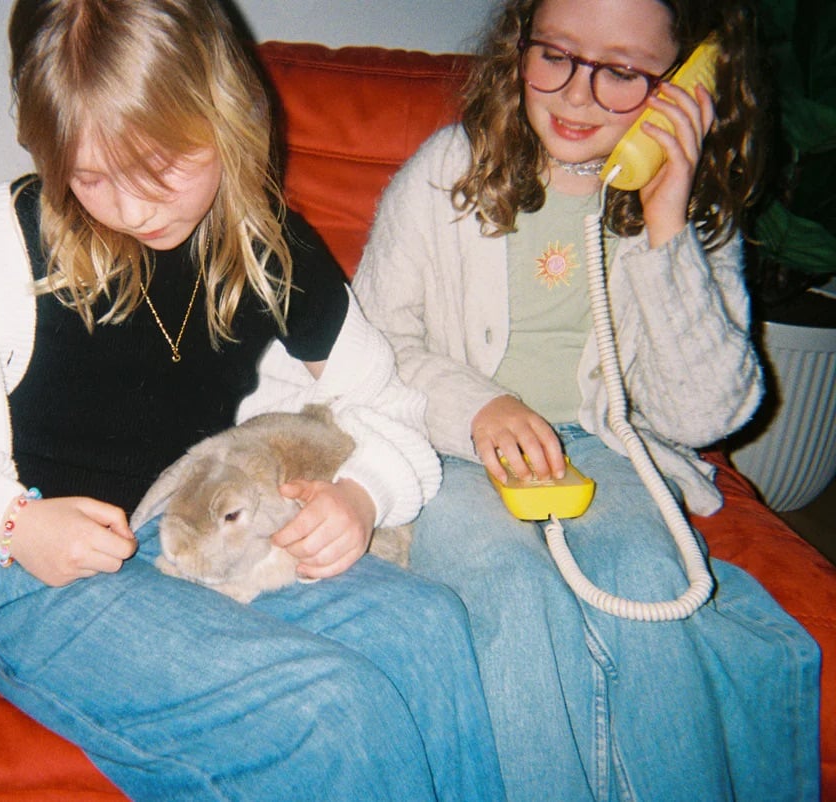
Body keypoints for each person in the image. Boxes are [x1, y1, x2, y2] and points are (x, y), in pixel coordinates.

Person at [0, 0, 505, 799]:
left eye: (161, 168)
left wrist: (363, 496)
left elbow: (385, 403)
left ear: (225, 117)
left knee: (428, 630)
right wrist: (11, 518)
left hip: (199, 539)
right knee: (329, 710)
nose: (132, 206)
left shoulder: (273, 249)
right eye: (90, 177)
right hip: (26, 565)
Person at [351, 0, 821, 799]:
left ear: (686, 87)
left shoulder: (691, 210)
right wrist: (477, 407)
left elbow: (705, 416)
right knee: (508, 586)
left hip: (613, 444)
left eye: (623, 73)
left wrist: (666, 222)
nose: (576, 95)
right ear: (519, 46)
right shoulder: (446, 169)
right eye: (557, 55)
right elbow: (373, 345)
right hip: (454, 451)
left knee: (645, 575)